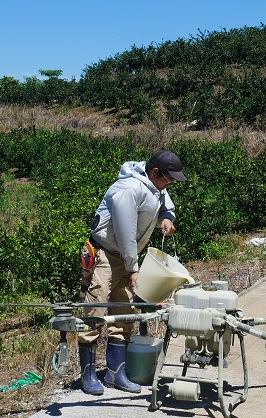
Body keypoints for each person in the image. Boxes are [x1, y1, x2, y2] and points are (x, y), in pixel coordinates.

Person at [77, 149, 186, 395]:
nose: (170, 184)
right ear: (156, 172)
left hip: (127, 257)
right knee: (94, 313)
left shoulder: (156, 186)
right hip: (105, 255)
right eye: (168, 178)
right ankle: (89, 375)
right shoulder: (128, 189)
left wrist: (166, 219)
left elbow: (164, 204)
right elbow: (125, 232)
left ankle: (116, 373)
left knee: (124, 313)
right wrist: (133, 268)